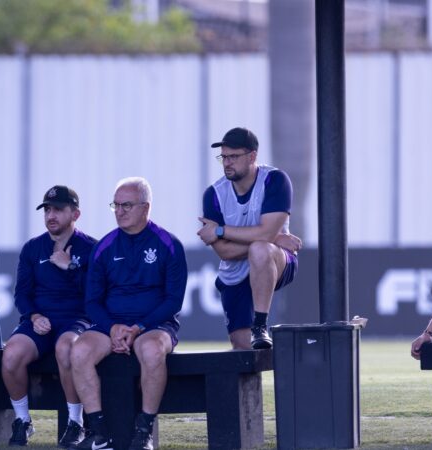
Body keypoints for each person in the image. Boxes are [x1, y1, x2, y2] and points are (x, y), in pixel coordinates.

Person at [69, 177, 188, 450]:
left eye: (126, 205)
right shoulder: (104, 247)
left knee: (151, 351)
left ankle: (143, 431)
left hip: (155, 325)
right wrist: (112, 328)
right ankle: (99, 434)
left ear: (145, 208)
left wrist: (139, 327)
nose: (120, 211)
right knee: (79, 351)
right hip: (111, 325)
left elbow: (173, 301)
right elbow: (92, 302)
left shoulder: (169, 244)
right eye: (116, 205)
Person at [1, 186, 97, 448]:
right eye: (47, 209)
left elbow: (95, 295)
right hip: (39, 321)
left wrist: (70, 266)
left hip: (77, 320)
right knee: (10, 354)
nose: (50, 215)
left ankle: (75, 423)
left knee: (66, 348)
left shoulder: (92, 248)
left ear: (75, 213)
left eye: (58, 209)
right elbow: (21, 294)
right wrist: (33, 316)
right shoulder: (33, 248)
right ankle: (23, 421)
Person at [198, 127, 301, 350]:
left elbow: (264, 235)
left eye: (233, 156)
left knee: (261, 250)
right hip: (235, 271)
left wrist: (219, 231)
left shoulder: (275, 180)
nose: (227, 163)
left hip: (277, 260)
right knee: (242, 350)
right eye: (223, 157)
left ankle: (260, 325)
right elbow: (224, 252)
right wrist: (275, 238)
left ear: (252, 156)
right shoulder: (213, 194)